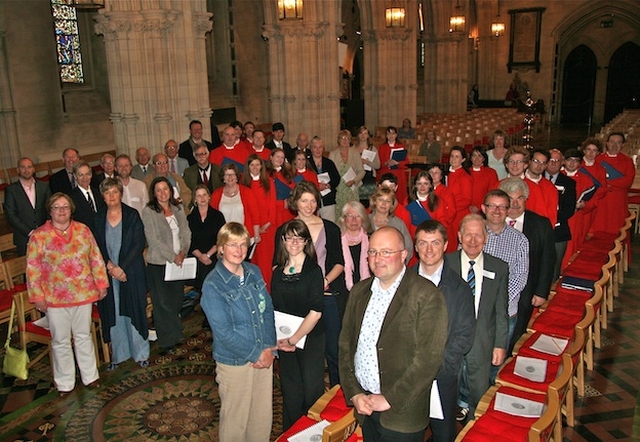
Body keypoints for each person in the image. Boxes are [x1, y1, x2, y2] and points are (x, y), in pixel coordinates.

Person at [339, 226, 448, 441]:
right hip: (365, 405)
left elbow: (428, 360)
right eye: (373, 252)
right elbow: (345, 346)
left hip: (402, 412)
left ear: (404, 255)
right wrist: (354, 392)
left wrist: (389, 398)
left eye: (386, 252)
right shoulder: (359, 292)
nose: (378, 258)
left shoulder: (426, 295)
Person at [201, 222, 276, 442]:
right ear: (221, 248)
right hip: (234, 361)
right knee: (236, 423)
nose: (239, 250)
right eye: (233, 245)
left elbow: (268, 309)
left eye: (243, 244)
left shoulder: (253, 271)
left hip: (264, 354)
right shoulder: (213, 285)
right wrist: (256, 354)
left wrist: (269, 347)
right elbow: (223, 331)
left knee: (261, 419)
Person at [26, 192, 108, 396]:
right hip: (54, 297)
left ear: (71, 209)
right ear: (50, 210)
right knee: (60, 340)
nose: (61, 211)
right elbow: (32, 268)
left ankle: (90, 376)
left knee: (83, 336)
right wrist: (38, 296)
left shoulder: (83, 230)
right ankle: (65, 383)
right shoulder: (39, 236)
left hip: (83, 293)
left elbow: (95, 258)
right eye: (57, 207)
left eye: (65, 207)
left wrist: (101, 283)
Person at [274, 181, 346, 387]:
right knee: (302, 351)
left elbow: (339, 263)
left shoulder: (330, 228)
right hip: (296, 299)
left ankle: (336, 396)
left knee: (333, 350)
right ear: (295, 202)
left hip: (326, 296)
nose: (309, 205)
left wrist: (322, 282)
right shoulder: (284, 230)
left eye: (313, 201)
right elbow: (276, 264)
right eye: (304, 200)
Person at [413, 220, 475, 442]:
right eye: (423, 243)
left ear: (446, 245)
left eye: (435, 243)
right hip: (406, 376)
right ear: (415, 247)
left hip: (442, 374)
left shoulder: (459, 288)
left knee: (443, 434)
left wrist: (437, 365)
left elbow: (464, 335)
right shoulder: (402, 282)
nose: (429, 250)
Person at [447, 214, 509, 420]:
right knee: (447, 390)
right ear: (459, 236)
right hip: (450, 342)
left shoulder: (499, 268)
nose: (473, 241)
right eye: (468, 235)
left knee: (479, 391)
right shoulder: (445, 264)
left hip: (482, 341)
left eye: (478, 235)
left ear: (486, 238)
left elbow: (501, 311)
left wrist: (500, 344)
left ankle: (475, 428)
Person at [272, 219, 325, 431]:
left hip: (310, 338)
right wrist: (280, 340)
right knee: (291, 390)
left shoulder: (314, 271)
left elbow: (316, 312)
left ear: (306, 242)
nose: (294, 242)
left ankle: (312, 434)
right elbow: (274, 308)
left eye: (299, 237)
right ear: (283, 241)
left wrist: (294, 339)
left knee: (311, 390)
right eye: (289, 237)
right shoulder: (277, 272)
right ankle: (292, 432)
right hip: (285, 340)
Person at [92, 178, 150, 370]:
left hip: (130, 272)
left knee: (134, 308)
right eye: (107, 193)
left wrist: (121, 268)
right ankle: (120, 353)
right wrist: (109, 266)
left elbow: (138, 243)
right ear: (103, 196)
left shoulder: (132, 215)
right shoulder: (98, 218)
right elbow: (96, 246)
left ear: (120, 193)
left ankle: (140, 353)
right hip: (108, 273)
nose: (111, 196)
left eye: (114, 192)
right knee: (114, 311)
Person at [500, 177, 555, 350]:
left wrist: (541, 292)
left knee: (517, 335)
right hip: (496, 291)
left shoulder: (541, 224)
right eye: (510, 199)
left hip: (526, 293)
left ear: (526, 199)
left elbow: (548, 260)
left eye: (520, 198)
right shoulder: (491, 222)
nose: (515, 204)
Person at [142, 176, 192, 353]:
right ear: (154, 193)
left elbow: (186, 231)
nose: (163, 193)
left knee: (176, 300)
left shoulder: (178, 208)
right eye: (159, 190)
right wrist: (173, 256)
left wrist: (183, 252)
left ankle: (177, 333)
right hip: (159, 263)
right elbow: (153, 240)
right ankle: (167, 340)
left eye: (166, 189)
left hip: (178, 262)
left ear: (170, 191)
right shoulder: (149, 211)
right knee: (162, 303)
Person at [481, 189, 529, 348]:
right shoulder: (473, 235)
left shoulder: (519, 240)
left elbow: (520, 277)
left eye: (502, 207)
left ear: (508, 211)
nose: (496, 211)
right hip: (476, 311)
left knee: (497, 360)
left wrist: (497, 301)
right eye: (492, 206)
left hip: (505, 312)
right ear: (483, 208)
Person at [241, 154, 277, 287]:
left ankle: (269, 289)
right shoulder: (244, 183)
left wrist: (268, 223)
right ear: (248, 167)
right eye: (252, 165)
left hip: (267, 227)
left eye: (257, 164)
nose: (255, 167)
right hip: (251, 227)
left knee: (266, 261)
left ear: (262, 166)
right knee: (254, 260)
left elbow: (272, 204)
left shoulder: (268, 181)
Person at [562, 147, 600, 268]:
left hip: (575, 219)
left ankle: (565, 274)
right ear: (564, 161)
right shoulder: (557, 175)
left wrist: (584, 205)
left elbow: (594, 202)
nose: (572, 163)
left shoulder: (586, 180)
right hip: (557, 218)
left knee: (571, 248)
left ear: (579, 163)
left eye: (576, 160)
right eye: (569, 160)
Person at [4, 157, 51, 255]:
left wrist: (45, 229)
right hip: (23, 237)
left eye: (29, 167)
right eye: (23, 167)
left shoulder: (44, 186)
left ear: (33, 169)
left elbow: (49, 209)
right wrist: (30, 232)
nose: (26, 170)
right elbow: (10, 215)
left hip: (45, 236)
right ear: (18, 170)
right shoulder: (11, 190)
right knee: (29, 269)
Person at [593, 132, 636, 234]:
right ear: (607, 143)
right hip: (601, 201)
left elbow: (627, 182)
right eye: (612, 142)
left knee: (616, 230)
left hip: (618, 201)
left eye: (618, 143)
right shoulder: (598, 159)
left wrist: (607, 182)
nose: (614, 145)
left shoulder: (627, 161)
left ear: (622, 145)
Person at [187, 184, 225, 292]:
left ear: (209, 197)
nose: (202, 198)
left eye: (204, 195)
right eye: (199, 196)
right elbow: (188, 240)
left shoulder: (218, 216)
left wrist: (208, 255)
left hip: (214, 257)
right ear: (194, 199)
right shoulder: (189, 218)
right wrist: (201, 256)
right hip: (196, 258)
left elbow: (221, 238)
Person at [545, 149, 577, 280]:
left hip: (559, 231)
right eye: (551, 160)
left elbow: (569, 209)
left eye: (557, 161)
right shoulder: (536, 178)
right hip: (538, 230)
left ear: (562, 163)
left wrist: (552, 220)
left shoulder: (569, 183)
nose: (553, 163)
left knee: (554, 266)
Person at [211, 163, 261, 244]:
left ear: (237, 177)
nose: (230, 177)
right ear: (223, 177)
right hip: (225, 238)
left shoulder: (247, 192)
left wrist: (256, 235)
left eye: (232, 174)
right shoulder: (216, 194)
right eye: (227, 174)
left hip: (244, 237)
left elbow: (255, 215)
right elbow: (212, 218)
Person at [369, 186, 413, 263]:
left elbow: (408, 248)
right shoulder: (365, 221)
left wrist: (400, 266)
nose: (384, 204)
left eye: (388, 201)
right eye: (380, 200)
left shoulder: (399, 224)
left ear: (392, 205)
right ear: (374, 201)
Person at [329, 130, 365, 219]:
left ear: (350, 140)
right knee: (340, 214)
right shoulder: (333, 154)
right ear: (338, 140)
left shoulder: (355, 153)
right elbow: (330, 173)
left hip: (352, 188)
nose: (345, 141)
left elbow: (361, 171)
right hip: (339, 189)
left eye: (347, 138)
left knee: (353, 213)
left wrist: (354, 180)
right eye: (342, 138)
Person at [338, 200, 372, 291]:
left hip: (367, 288)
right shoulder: (336, 241)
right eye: (350, 216)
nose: (354, 220)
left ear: (363, 218)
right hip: (342, 289)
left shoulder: (371, 239)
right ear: (343, 218)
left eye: (358, 216)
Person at [579, 137, 608, 238]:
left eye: (594, 150)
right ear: (584, 151)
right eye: (589, 149)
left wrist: (589, 201)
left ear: (598, 153)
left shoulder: (600, 169)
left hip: (591, 204)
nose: (591, 153)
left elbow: (603, 188)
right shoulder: (577, 165)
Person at [446, 146, 473, 251]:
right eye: (452, 156)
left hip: (458, 214)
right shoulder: (445, 173)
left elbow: (466, 200)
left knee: (454, 245)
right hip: (445, 213)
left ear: (463, 159)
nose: (453, 159)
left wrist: (449, 207)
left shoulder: (465, 177)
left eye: (457, 157)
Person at [308, 136, 341, 222]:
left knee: (329, 225)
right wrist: (317, 186)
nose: (318, 150)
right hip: (311, 199)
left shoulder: (329, 162)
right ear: (311, 149)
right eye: (315, 147)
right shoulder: (307, 163)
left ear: (323, 148)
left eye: (320, 147)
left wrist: (327, 185)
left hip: (328, 199)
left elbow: (336, 178)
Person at [377, 126, 409, 204]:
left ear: (396, 135)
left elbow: (406, 163)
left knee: (399, 196)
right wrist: (387, 162)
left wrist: (397, 163)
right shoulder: (382, 147)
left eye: (393, 133)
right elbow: (379, 164)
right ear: (386, 135)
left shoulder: (401, 147)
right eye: (388, 134)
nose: (391, 136)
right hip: (386, 173)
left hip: (398, 173)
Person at [70, 162, 105, 227]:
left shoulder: (98, 192)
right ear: (75, 176)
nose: (85, 178)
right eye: (81, 175)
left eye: (87, 174)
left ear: (91, 175)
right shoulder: (71, 198)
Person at [354, 126, 380, 208]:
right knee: (357, 203)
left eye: (365, 133)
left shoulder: (372, 148)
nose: (363, 135)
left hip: (369, 177)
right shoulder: (353, 148)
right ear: (358, 135)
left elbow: (378, 165)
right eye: (361, 133)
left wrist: (367, 162)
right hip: (357, 176)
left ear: (368, 135)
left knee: (370, 202)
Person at [269, 147, 296, 226]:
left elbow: (293, 189)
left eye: (282, 158)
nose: (280, 159)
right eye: (277, 157)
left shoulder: (287, 173)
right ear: (271, 157)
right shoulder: (265, 174)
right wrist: (280, 204)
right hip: (274, 211)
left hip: (288, 211)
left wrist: (289, 201)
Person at [469, 146, 499, 213]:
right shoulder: (465, 172)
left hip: (484, 208)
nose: (477, 158)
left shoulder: (491, 172)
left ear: (484, 158)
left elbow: (492, 192)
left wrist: (478, 206)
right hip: (466, 209)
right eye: (474, 155)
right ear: (471, 158)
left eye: (479, 156)